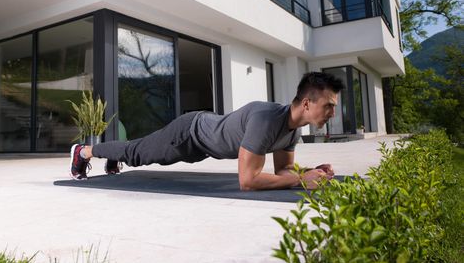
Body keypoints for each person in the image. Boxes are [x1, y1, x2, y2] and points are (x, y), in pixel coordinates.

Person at [69, 72, 344, 190]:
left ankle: (114, 155)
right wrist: (299, 181)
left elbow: (283, 171)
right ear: (307, 103)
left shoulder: (294, 129)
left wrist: (308, 172)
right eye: (329, 106)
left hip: (203, 143)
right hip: (189, 133)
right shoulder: (266, 120)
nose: (333, 113)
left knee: (137, 150)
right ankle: (84, 151)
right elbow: (248, 181)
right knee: (137, 153)